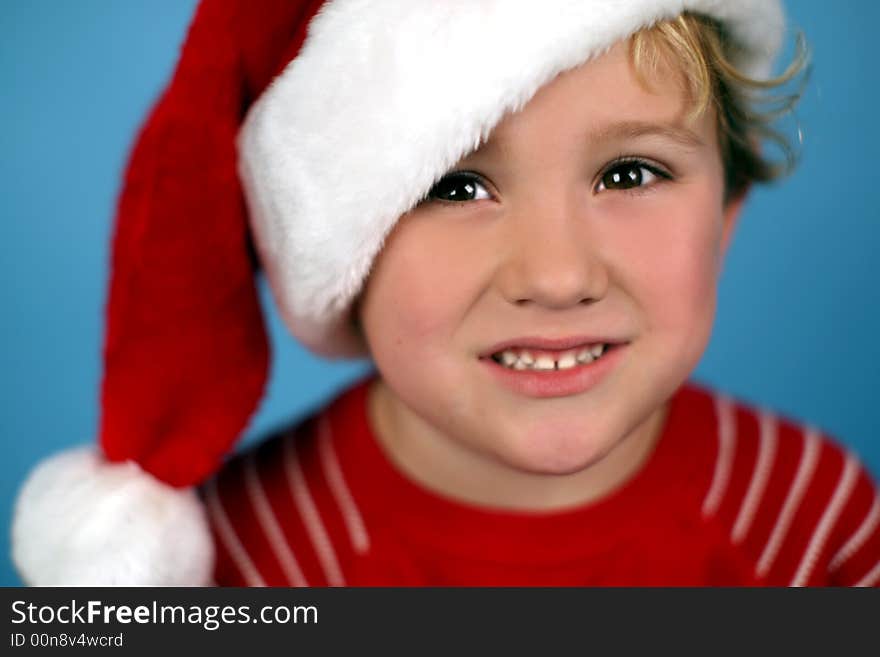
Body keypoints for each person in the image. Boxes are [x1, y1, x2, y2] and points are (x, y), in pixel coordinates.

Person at [11, 0, 880, 587]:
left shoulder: (808, 520)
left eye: (630, 172)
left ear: (726, 213)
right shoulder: (249, 559)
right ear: (342, 253)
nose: (557, 275)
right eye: (457, 187)